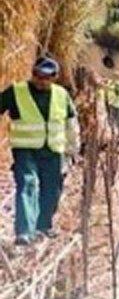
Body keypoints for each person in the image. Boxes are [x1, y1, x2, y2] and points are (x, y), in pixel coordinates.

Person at [0, 57, 80, 245]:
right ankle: (24, 232)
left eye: (47, 77)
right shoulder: (16, 91)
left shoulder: (62, 95)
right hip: (25, 149)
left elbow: (71, 124)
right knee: (28, 184)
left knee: (52, 189)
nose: (42, 80)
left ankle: (43, 226)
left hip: (53, 150)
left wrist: (72, 149)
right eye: (38, 75)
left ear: (55, 77)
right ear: (33, 73)